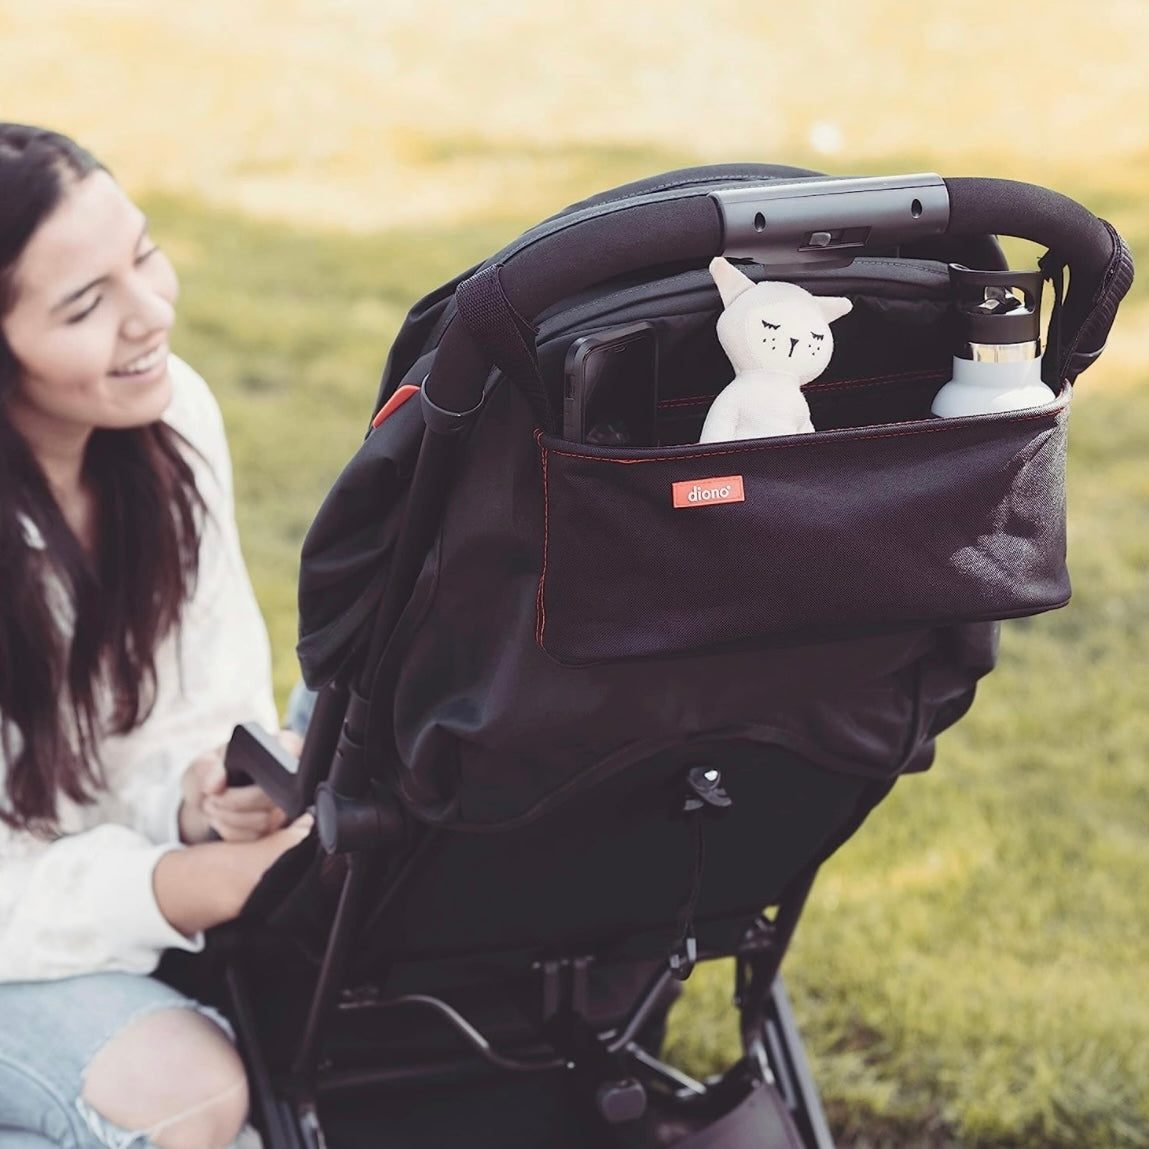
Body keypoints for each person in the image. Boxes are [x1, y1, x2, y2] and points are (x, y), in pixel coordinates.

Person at [0, 124, 311, 1148]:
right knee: (188, 1098)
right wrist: (171, 887)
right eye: (85, 306)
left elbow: (196, 708)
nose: (152, 315)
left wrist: (200, 803)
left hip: (88, 888)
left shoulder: (170, 425)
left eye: (142, 253)